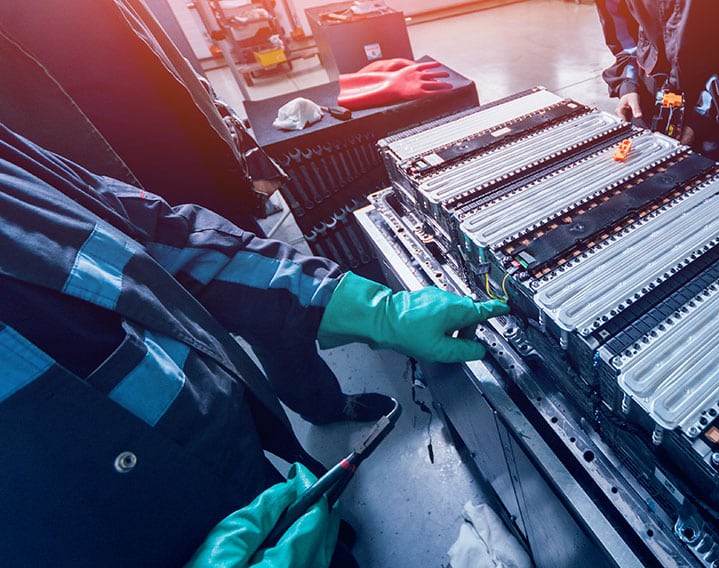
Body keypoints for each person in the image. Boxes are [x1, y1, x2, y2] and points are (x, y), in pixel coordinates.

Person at [0, 122, 508, 565]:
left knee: (315, 537)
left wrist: (376, 310)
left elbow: (159, 236)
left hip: (231, 464)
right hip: (139, 540)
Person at [0, 0, 403, 425]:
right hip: (101, 205)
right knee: (179, 349)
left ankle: (320, 403)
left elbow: (164, 62)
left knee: (263, 299)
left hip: (193, 170)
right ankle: (255, 456)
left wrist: (235, 142)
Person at [594, 0, 719, 168]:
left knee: (710, 192)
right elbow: (620, 29)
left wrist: (704, 115)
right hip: (647, 92)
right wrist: (629, 82)